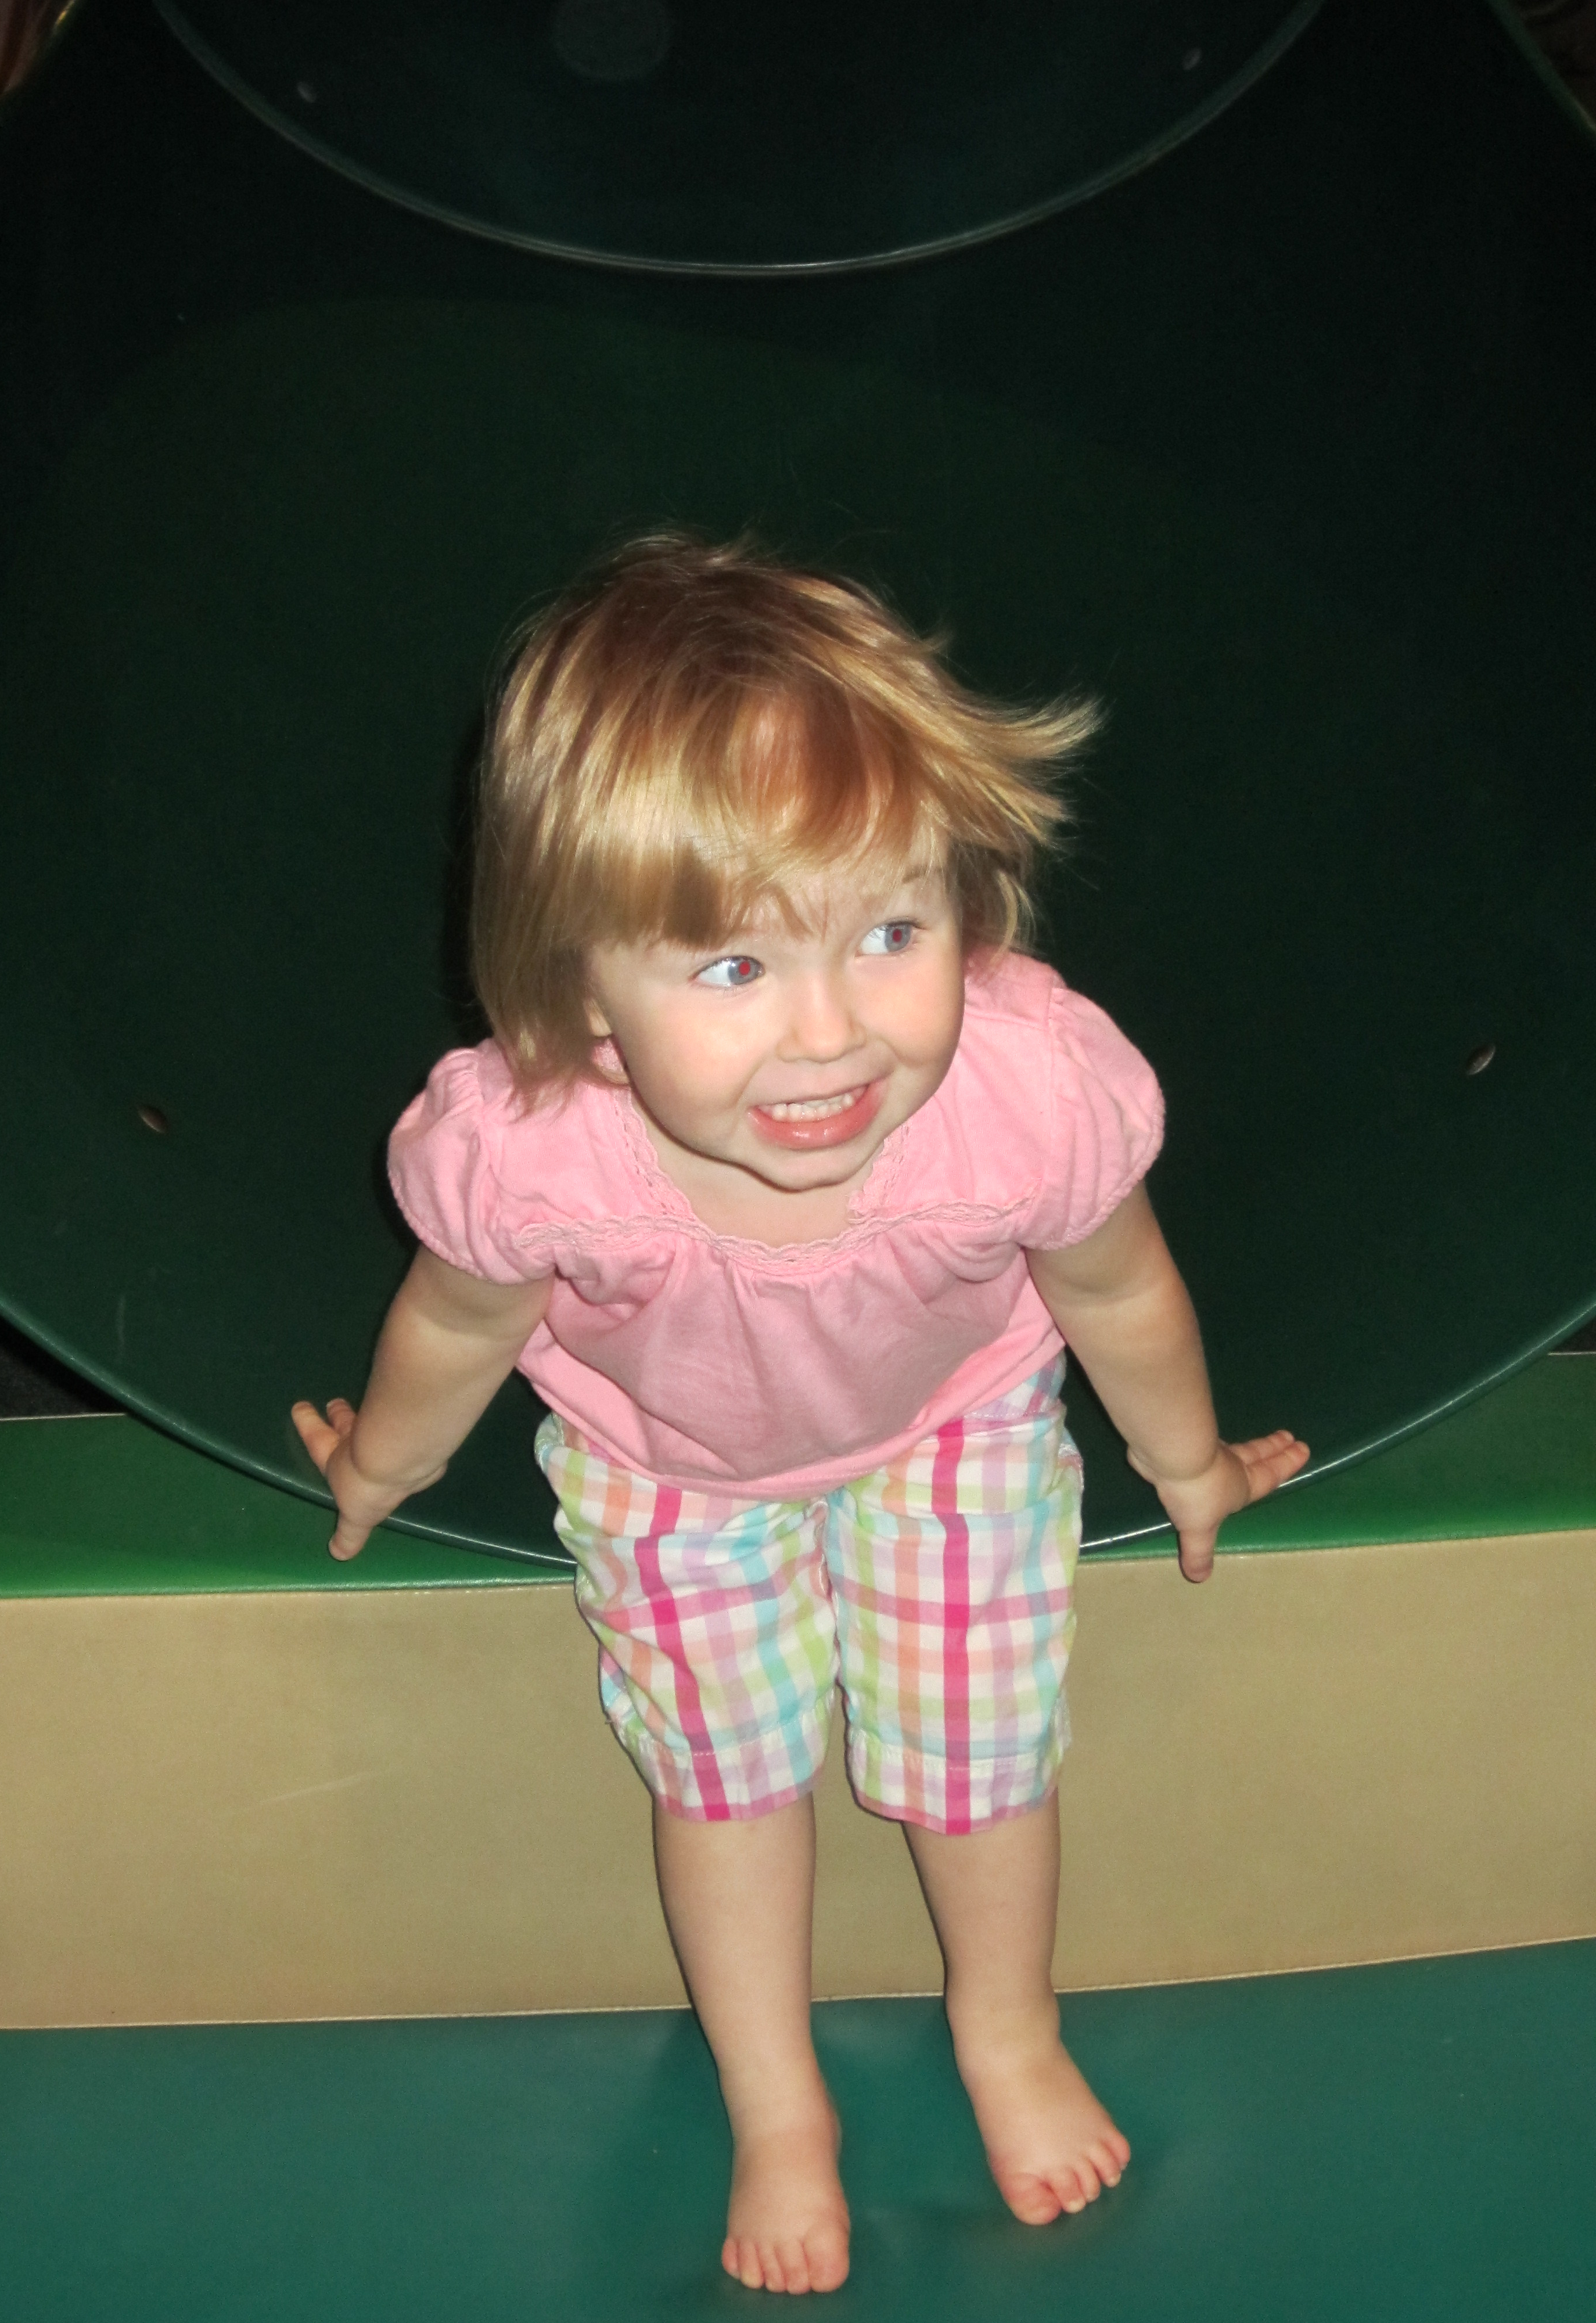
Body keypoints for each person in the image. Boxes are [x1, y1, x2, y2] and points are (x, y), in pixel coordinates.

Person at [293, 537, 1307, 2297]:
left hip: (951, 1426)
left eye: (891, 932)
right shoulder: (537, 1151)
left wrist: (1188, 1461)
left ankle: (1006, 2028)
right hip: (670, 1468)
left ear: (966, 907)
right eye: (730, 969)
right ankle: (779, 2107)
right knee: (728, 1780)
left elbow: (1119, 1288)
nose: (830, 1035)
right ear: (578, 987)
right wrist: (382, 1460)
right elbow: (457, 1319)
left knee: (982, 1758)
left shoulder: (1020, 1093)